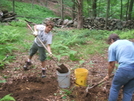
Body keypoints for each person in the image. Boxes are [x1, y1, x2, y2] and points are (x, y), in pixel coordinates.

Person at [104, 34, 134, 101]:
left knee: (115, 87)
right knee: (128, 92)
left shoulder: (113, 45)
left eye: (109, 43)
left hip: (125, 68)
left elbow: (111, 64)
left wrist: (108, 75)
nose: (110, 44)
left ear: (112, 40)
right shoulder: (129, 42)